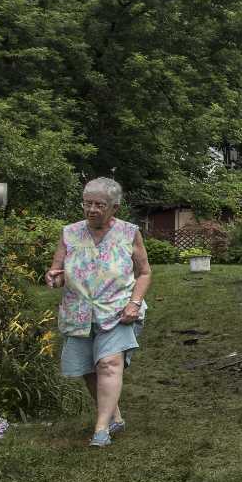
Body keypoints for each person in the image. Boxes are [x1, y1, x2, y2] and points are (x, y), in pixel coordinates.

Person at [46, 178, 151, 447]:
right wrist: (54, 278)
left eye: (99, 204)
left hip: (118, 310)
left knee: (108, 363)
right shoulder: (69, 233)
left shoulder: (129, 233)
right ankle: (113, 416)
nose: (92, 209)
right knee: (88, 369)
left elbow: (145, 273)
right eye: (87, 203)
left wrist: (135, 303)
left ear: (114, 207)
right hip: (78, 312)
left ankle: (101, 429)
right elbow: (56, 272)